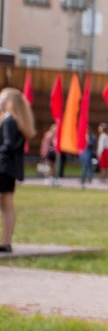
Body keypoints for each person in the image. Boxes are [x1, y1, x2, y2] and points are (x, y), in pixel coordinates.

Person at [1, 88, 37, 253]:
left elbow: (7, 145)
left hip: (2, 167)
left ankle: (6, 242)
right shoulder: (19, 122)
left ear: (8, 102)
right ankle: (6, 242)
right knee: (7, 205)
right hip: (10, 170)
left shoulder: (8, 120)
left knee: (6, 205)